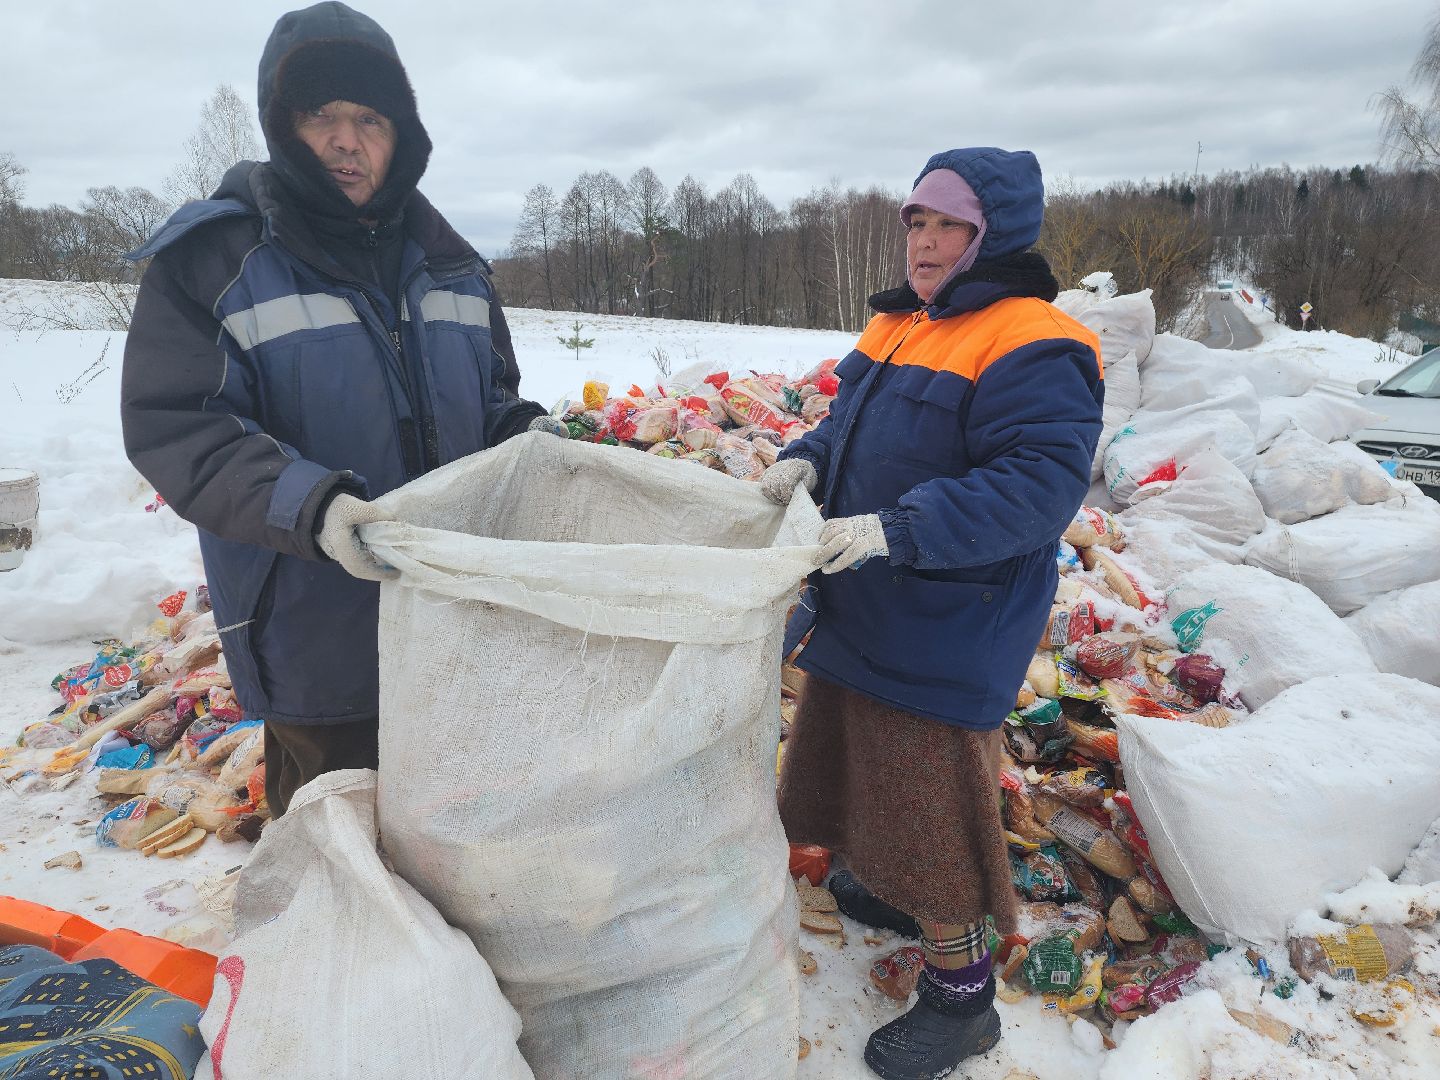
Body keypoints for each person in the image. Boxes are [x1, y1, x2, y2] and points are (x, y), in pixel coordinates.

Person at [120, 2, 565, 817]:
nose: (347, 140)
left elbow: (489, 398)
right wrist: (314, 506)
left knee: (459, 841)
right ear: (281, 125)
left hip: (456, 627)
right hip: (315, 635)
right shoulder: (215, 260)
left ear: (404, 134)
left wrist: (530, 437)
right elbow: (182, 426)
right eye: (321, 115)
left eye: (370, 117)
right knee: (337, 862)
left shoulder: (452, 262)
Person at [762, 147, 1104, 1079]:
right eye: (916, 221)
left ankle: (962, 1003)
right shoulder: (903, 324)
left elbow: (1038, 487)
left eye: (948, 225)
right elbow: (847, 427)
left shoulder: (1035, 337)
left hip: (949, 622)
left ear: (992, 236)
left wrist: (897, 530)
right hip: (867, 603)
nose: (925, 240)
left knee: (928, 813)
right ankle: (882, 886)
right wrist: (805, 457)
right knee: (849, 760)